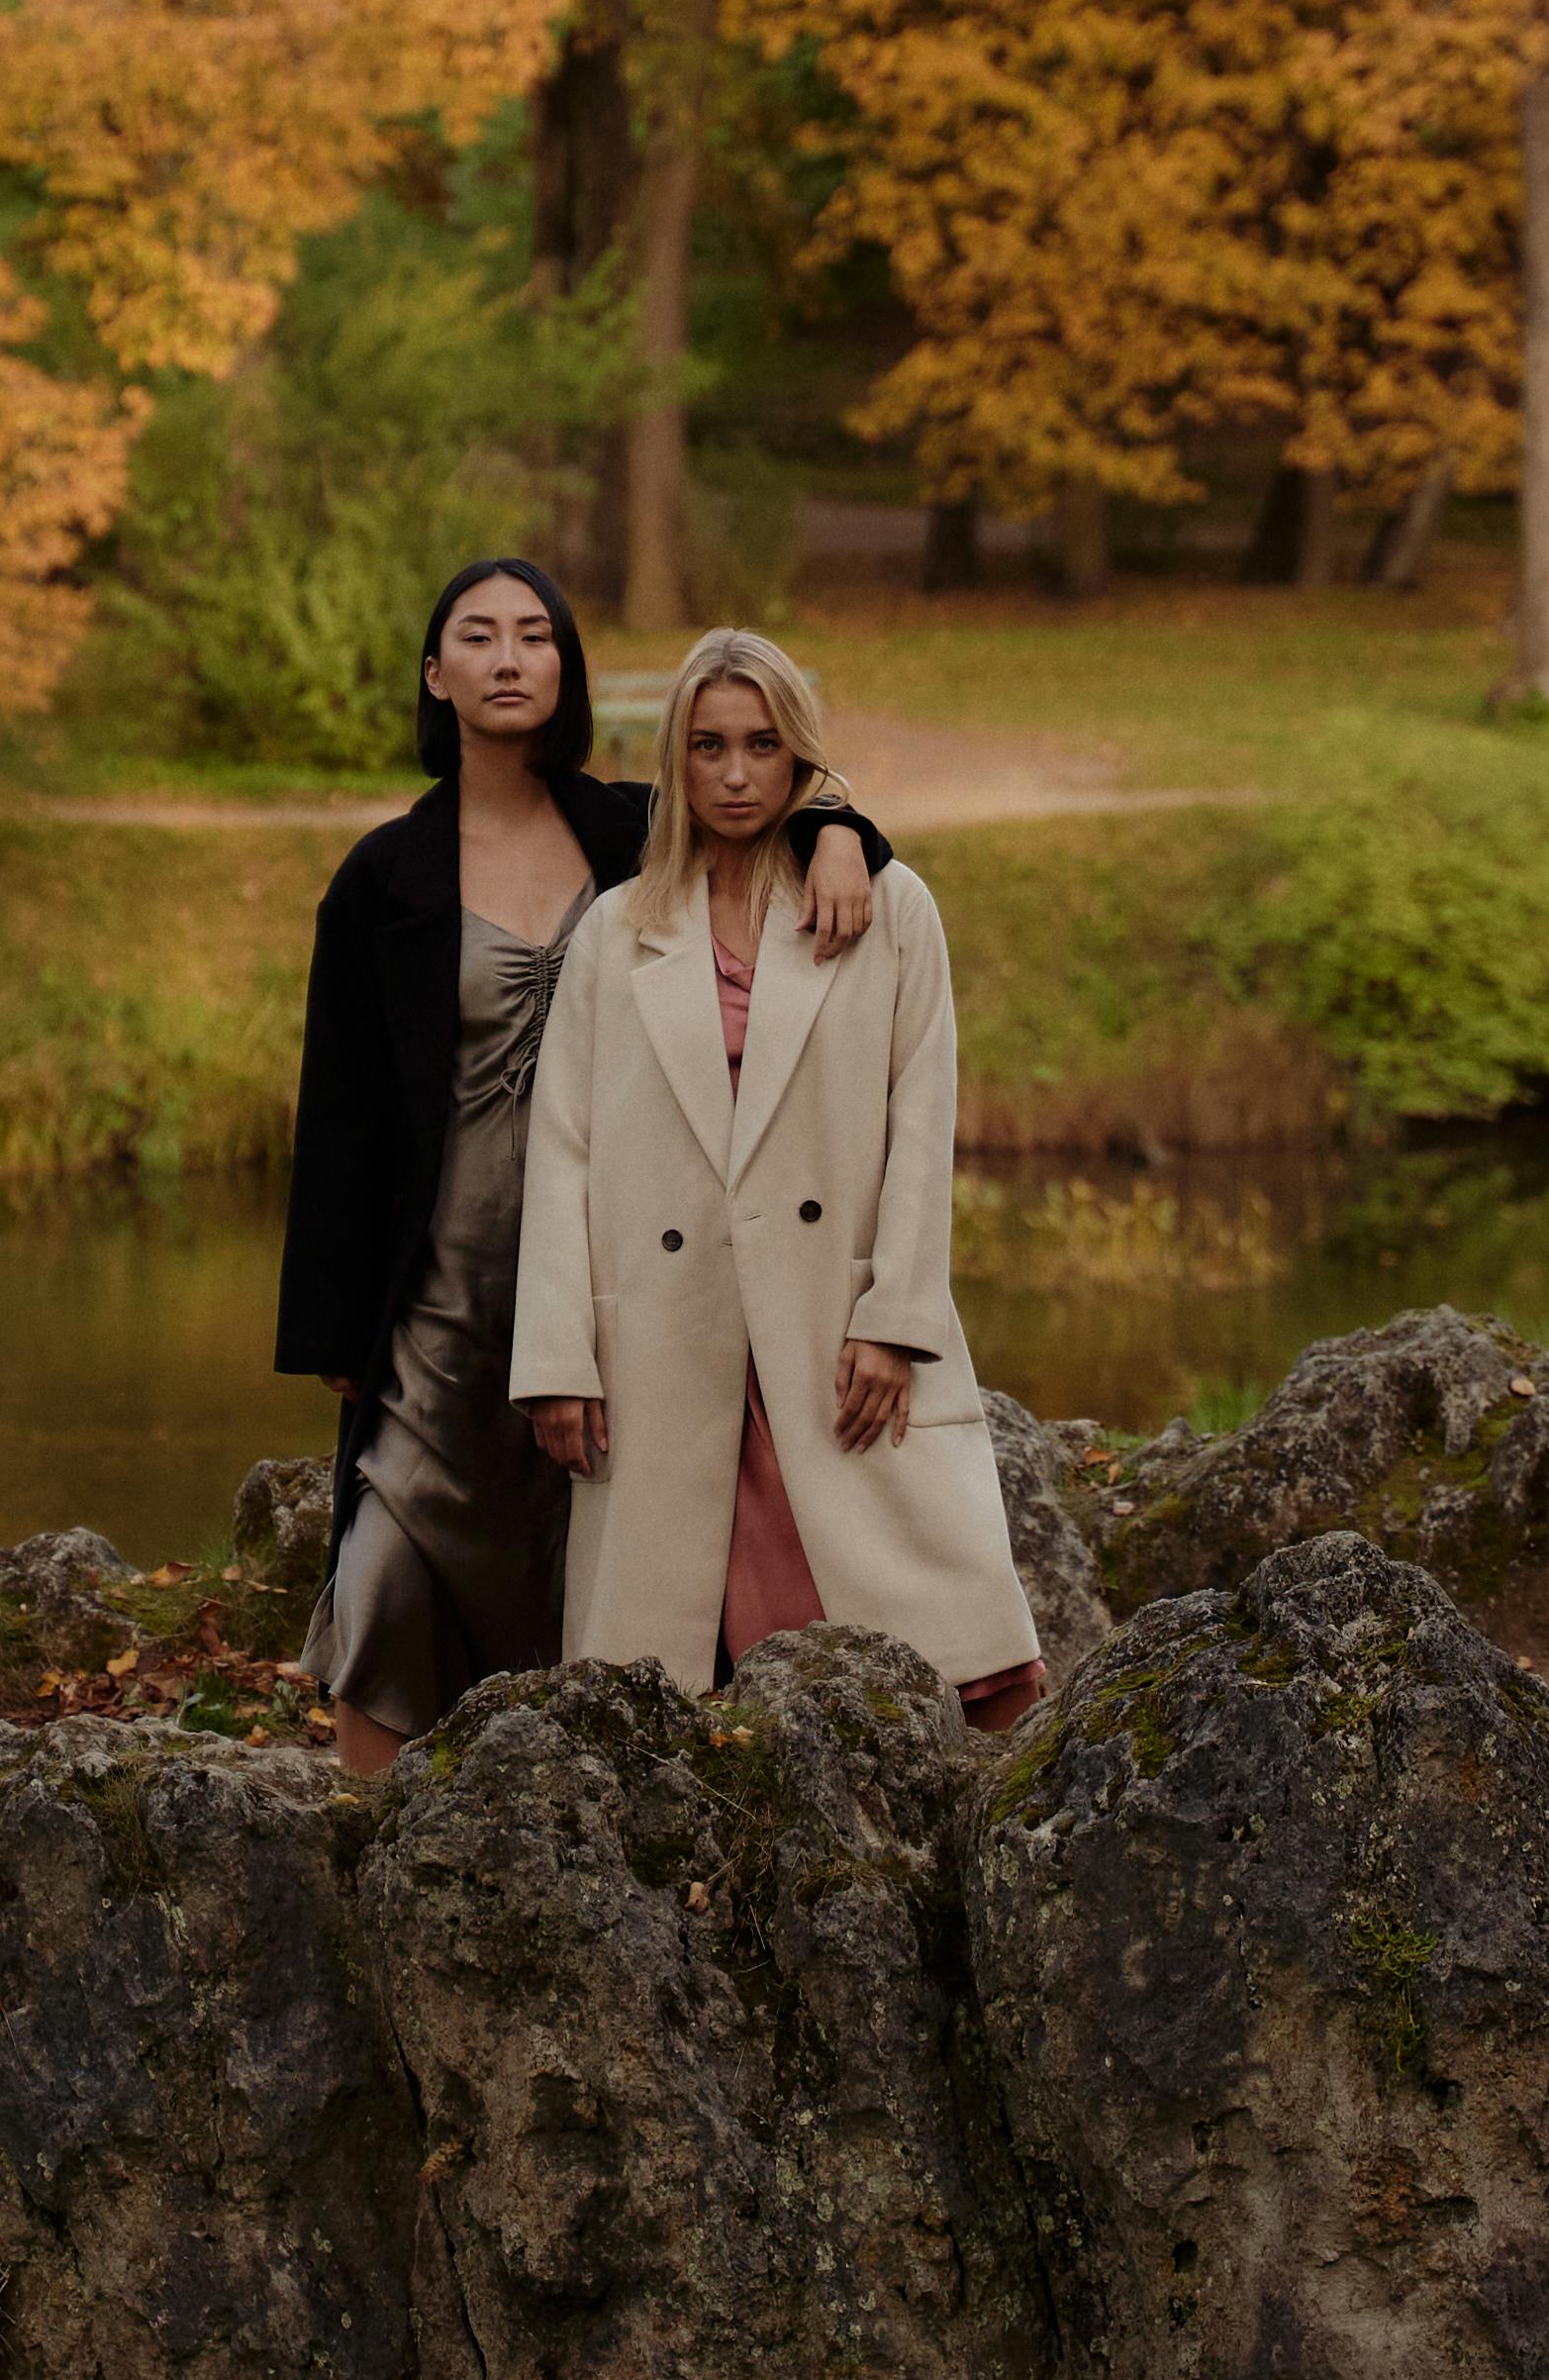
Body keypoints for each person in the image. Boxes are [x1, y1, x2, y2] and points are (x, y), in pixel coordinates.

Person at [274, 559, 892, 1776]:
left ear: (564, 667)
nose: (508, 658)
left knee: (601, 1564)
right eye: (477, 637)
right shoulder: (380, 878)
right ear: (434, 674)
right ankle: (364, 1853)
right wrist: (334, 1327)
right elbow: (339, 1117)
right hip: (438, 1286)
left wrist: (841, 833)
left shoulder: (627, 830)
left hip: (623, 1268)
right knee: (391, 1564)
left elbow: (754, 796)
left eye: (533, 636)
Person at [511, 626, 1041, 1727]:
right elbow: (560, 1146)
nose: (736, 773)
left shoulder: (888, 909)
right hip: (667, 1329)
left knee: (907, 1669)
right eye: (706, 747)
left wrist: (896, 1317)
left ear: (799, 755)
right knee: (672, 1693)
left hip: (829, 1321)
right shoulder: (617, 932)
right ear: (675, 759)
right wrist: (556, 1352)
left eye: (761, 744)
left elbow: (919, 1117)